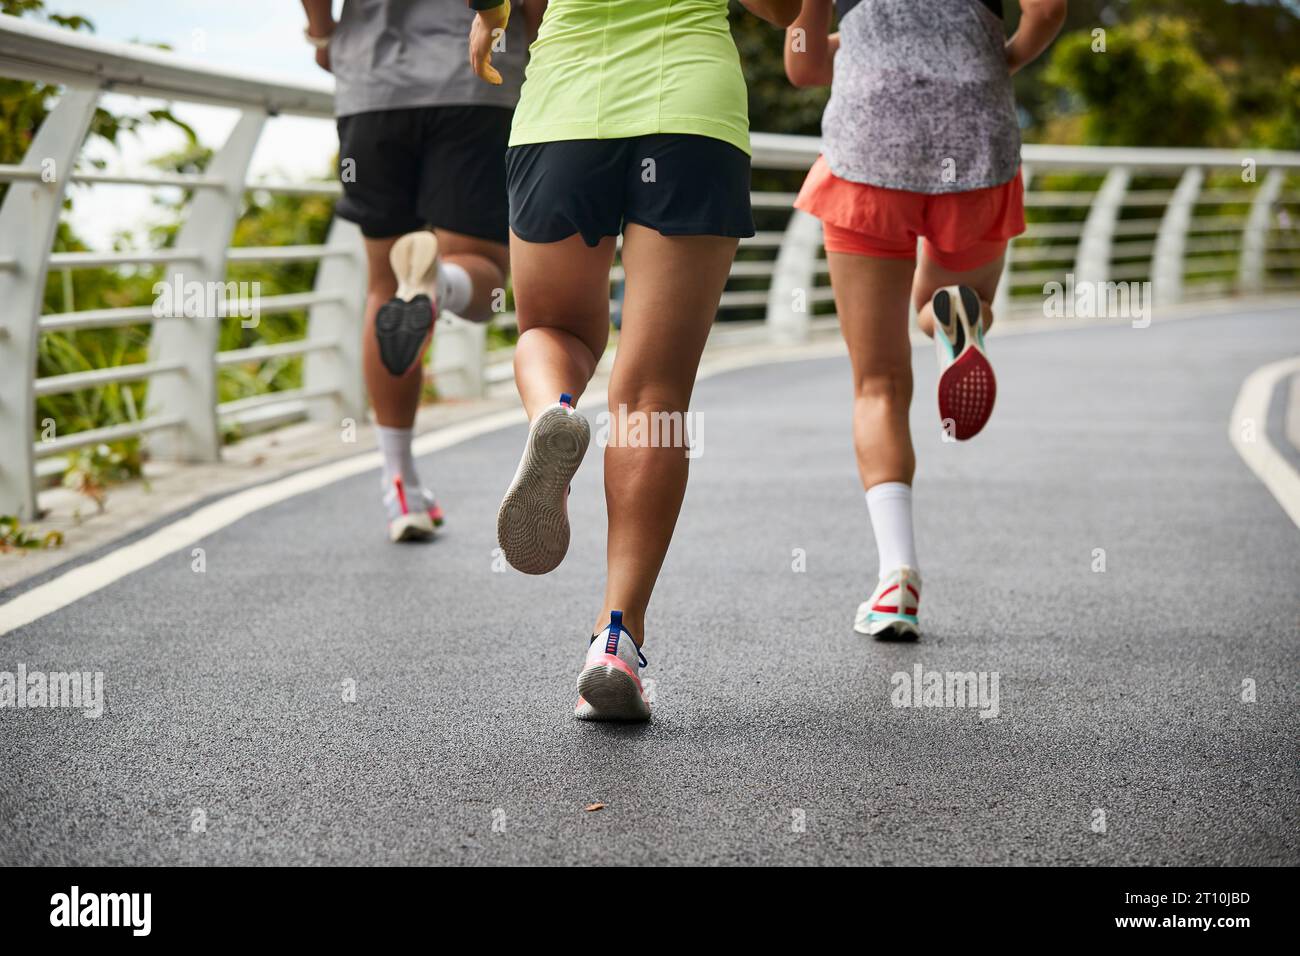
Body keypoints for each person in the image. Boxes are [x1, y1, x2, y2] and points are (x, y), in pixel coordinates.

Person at [467, 0, 801, 720]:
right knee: (653, 399)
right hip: (689, 110)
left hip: (564, 109)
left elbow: (509, 19)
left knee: (553, 327)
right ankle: (615, 639)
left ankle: (554, 413)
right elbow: (783, 12)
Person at [784, 0, 1066, 638]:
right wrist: (1004, 56)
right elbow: (1048, 9)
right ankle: (953, 318)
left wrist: (848, 37)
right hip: (978, 131)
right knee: (948, 300)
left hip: (869, 143)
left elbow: (802, 68)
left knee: (878, 385)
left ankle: (896, 578)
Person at [301, 0, 545, 542]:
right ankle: (441, 286)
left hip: (371, 85)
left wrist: (323, 36)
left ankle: (401, 488)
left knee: (385, 287)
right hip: (476, 79)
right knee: (479, 271)